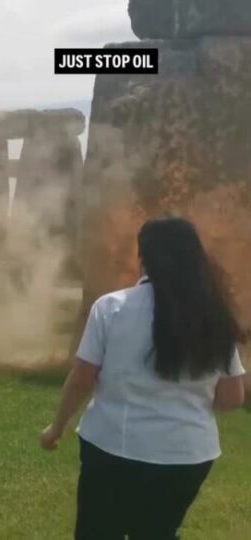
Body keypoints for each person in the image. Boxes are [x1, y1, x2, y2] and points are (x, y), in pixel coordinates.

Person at [40, 217, 246, 539]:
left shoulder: (112, 308)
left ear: (143, 257)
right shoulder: (214, 315)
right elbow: (233, 397)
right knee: (157, 532)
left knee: (98, 531)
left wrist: (56, 428)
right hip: (187, 456)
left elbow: (83, 378)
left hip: (113, 447)